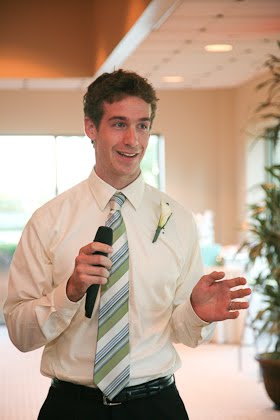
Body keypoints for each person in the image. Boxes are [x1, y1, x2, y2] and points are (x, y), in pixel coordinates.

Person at [4, 69, 251, 420]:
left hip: (158, 406)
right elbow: (19, 333)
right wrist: (70, 291)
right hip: (71, 408)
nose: (133, 141)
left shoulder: (178, 219)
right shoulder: (48, 221)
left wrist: (195, 313)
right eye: (119, 124)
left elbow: (182, 331)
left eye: (143, 125)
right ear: (91, 128)